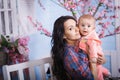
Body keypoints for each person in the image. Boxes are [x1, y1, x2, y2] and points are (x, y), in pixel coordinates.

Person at [51, 15, 106, 80]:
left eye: (76, 25)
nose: (77, 29)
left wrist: (101, 60)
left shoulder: (80, 44)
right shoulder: (70, 55)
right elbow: (90, 78)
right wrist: (93, 61)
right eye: (71, 28)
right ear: (63, 35)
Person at [78, 14, 111, 80]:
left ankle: (102, 76)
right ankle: (105, 71)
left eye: (88, 26)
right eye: (82, 25)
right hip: (90, 59)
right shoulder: (82, 37)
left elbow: (92, 48)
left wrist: (93, 57)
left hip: (95, 56)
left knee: (98, 71)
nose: (85, 28)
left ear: (93, 28)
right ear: (78, 26)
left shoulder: (90, 38)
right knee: (98, 67)